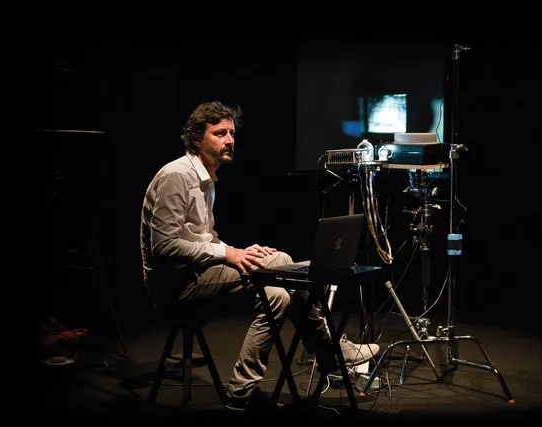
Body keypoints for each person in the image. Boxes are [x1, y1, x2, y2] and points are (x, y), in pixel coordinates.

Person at [140, 100, 380, 412]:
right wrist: (228, 253)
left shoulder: (206, 178)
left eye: (232, 133)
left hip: (199, 273)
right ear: (197, 139)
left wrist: (241, 252)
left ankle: (242, 390)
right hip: (175, 284)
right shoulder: (177, 176)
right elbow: (165, 246)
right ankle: (330, 351)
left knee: (278, 294)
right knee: (281, 262)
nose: (229, 140)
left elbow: (203, 238)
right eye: (220, 133)